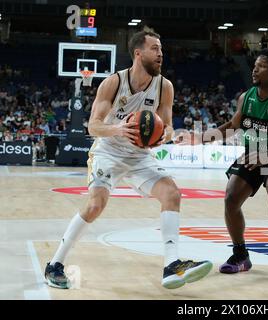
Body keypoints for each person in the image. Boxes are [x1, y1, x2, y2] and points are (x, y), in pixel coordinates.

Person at [44, 31, 212, 290]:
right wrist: (118, 129)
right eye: (155, 49)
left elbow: (166, 126)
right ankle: (55, 264)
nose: (161, 54)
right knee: (95, 205)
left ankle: (171, 266)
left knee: (172, 193)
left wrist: (162, 136)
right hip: (108, 152)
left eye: (161, 50)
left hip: (139, 156)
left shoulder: (164, 86)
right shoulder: (114, 82)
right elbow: (93, 126)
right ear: (138, 53)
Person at [188, 48, 268, 276]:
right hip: (256, 151)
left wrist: (267, 158)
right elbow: (232, 127)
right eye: (254, 66)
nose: (254, 69)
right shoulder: (246, 97)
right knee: (231, 199)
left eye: (261, 66)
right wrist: (201, 137)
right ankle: (241, 255)